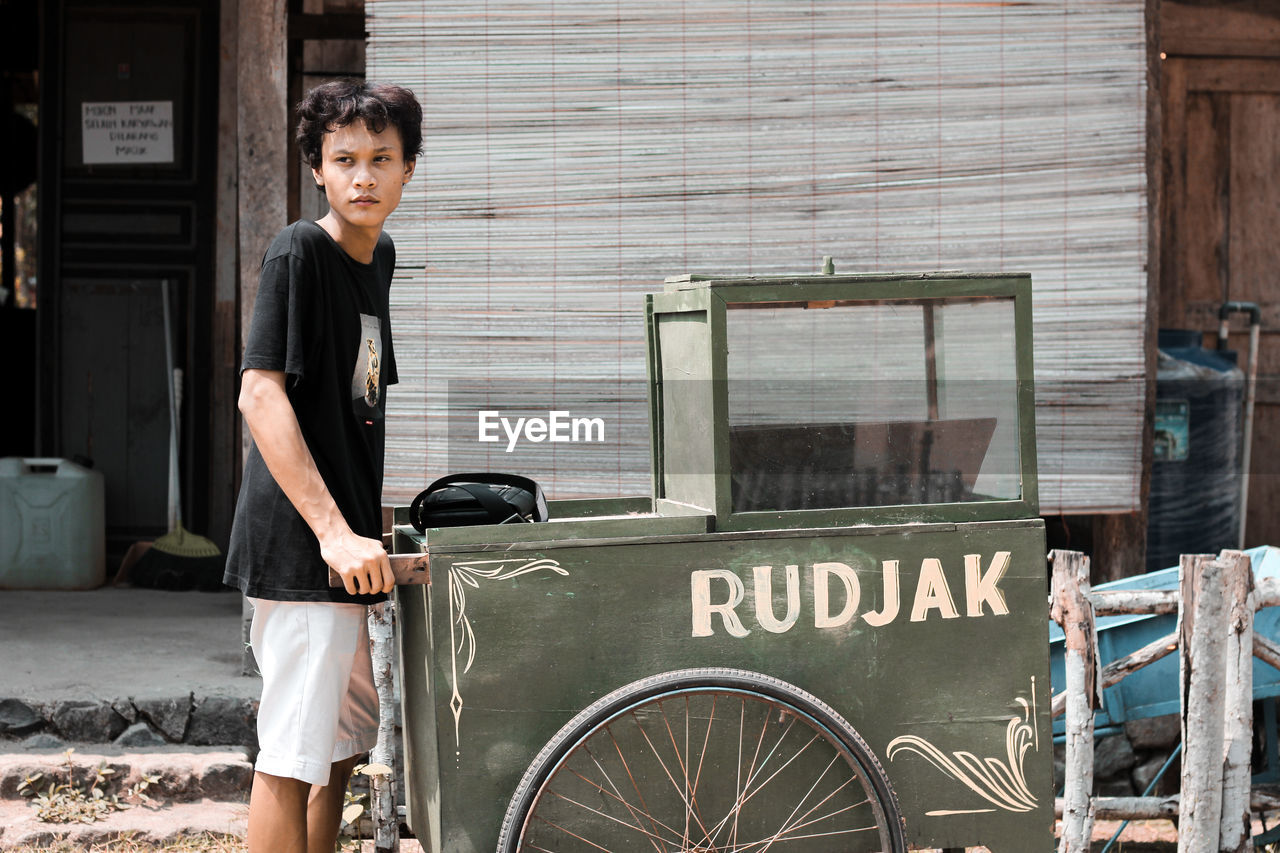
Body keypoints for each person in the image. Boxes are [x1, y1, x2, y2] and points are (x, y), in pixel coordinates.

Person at [222, 79, 422, 853]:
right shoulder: (297, 251)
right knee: (292, 753)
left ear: (409, 169)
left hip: (347, 547)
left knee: (339, 743)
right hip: (304, 544)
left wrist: (370, 527)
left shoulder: (379, 258)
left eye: (382, 158)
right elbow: (259, 396)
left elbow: (356, 406)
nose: (363, 177)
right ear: (317, 169)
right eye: (345, 159)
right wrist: (336, 533)